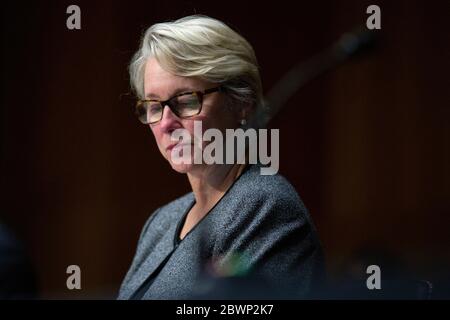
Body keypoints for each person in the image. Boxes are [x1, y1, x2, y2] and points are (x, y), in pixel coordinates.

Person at [118, 15, 325, 300]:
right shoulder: (161, 222)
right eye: (154, 106)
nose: (166, 123)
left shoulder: (264, 207)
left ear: (242, 103)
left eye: (187, 100)